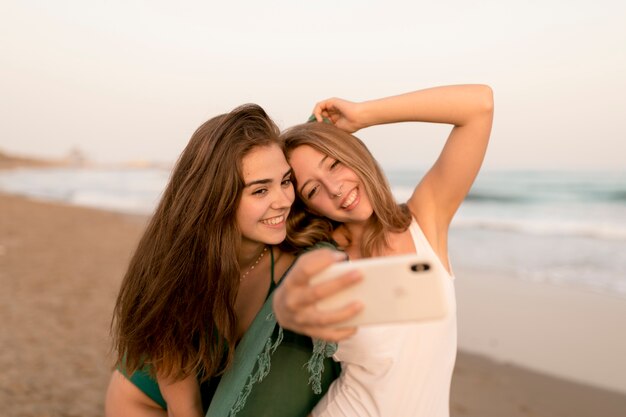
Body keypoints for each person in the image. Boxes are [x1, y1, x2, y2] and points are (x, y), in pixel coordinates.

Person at [272, 85, 494, 416]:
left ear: (353, 154)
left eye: (334, 164)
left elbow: (480, 106)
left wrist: (364, 114)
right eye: (313, 189)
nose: (335, 189)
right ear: (310, 207)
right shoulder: (322, 262)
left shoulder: (425, 222)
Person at [105, 104, 340, 417]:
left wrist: (365, 116)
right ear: (217, 198)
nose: (283, 201)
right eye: (260, 191)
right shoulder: (178, 271)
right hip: (146, 404)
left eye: (286, 181)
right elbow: (185, 408)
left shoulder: (297, 258)